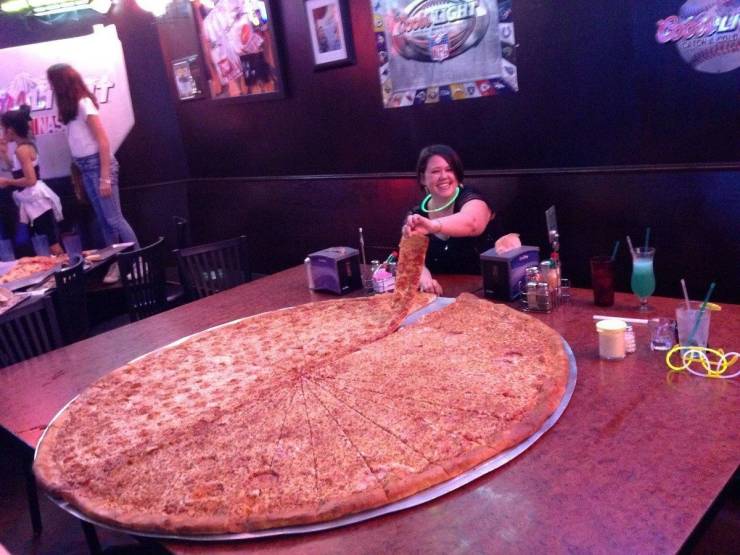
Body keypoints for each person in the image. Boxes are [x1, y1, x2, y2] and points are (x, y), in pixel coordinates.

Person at [47, 63, 138, 281]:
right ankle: (117, 262)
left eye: (52, 82)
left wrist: (105, 178)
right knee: (104, 221)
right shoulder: (71, 108)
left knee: (114, 219)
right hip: (86, 167)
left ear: (61, 83)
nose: (51, 88)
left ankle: (138, 260)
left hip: (99, 165)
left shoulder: (83, 103)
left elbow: (103, 141)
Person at [402, 145, 495, 295]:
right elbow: (413, 260)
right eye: (435, 171)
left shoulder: (471, 197)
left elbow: (472, 223)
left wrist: (433, 226)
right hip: (442, 297)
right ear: (423, 178)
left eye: (449, 169)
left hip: (488, 293)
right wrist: (424, 278)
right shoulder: (417, 214)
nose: (444, 176)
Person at [0, 106, 64, 255]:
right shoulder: (23, 147)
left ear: (10, 130)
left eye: (3, 129)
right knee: (47, 241)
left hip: (37, 201)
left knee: (52, 243)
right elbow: (17, 170)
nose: (2, 133)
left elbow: (31, 180)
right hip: (32, 200)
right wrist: (4, 154)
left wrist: (8, 182)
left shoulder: (22, 150)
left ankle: (68, 267)